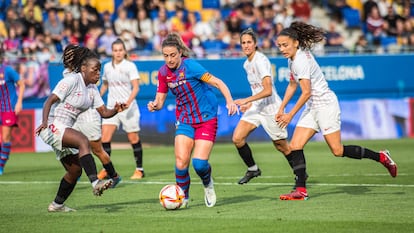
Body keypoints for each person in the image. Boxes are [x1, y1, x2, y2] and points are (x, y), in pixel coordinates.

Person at [274, 21, 398, 201]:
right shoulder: (292, 59)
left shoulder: (300, 60)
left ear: (295, 43)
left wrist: (290, 115)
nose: (282, 49)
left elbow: (306, 92)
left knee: (337, 150)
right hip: (312, 107)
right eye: (279, 46)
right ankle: (301, 190)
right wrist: (281, 107)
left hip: (325, 105)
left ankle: (381, 157)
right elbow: (292, 85)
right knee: (295, 146)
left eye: (285, 45)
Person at [147, 33, 239, 208]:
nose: (169, 59)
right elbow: (159, 100)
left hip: (206, 118)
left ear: (180, 52)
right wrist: (154, 105)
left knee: (199, 163)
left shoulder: (191, 67)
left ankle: (208, 183)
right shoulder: (163, 73)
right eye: (165, 56)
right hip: (185, 119)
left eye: (172, 55)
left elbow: (218, 82)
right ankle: (183, 198)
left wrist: (229, 101)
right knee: (181, 162)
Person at [35, 46, 126, 212]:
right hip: (53, 125)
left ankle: (57, 205)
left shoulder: (92, 89)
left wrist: (116, 110)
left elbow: (104, 112)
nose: (98, 74)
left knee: (75, 170)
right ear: (83, 69)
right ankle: (95, 182)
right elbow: (49, 100)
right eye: (95, 70)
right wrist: (44, 121)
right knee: (83, 141)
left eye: (99, 71)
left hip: (64, 128)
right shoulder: (71, 80)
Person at [232, 28, 291, 185]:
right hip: (257, 107)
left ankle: (300, 173)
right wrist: (251, 103)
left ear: (255, 44)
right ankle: (253, 169)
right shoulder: (246, 64)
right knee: (237, 138)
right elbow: (258, 89)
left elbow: (268, 90)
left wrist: (246, 100)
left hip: (271, 108)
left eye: (249, 42)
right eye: (243, 43)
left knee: (281, 146)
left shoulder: (261, 61)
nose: (246, 45)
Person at [61, 44, 122, 188]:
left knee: (97, 150)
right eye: (67, 54)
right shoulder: (67, 73)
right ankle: (79, 176)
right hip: (73, 116)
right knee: (73, 148)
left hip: (88, 116)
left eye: (71, 54)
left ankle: (114, 176)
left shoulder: (85, 72)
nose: (68, 57)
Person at [99, 39, 144, 180]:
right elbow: (105, 85)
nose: (118, 53)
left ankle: (140, 170)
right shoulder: (106, 67)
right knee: (105, 138)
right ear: (112, 52)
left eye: (120, 50)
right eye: (115, 50)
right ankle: (106, 170)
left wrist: (128, 102)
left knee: (133, 138)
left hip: (128, 108)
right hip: (112, 107)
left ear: (124, 51)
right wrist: (98, 98)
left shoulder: (130, 66)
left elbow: (136, 87)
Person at [0, 45, 25, 175]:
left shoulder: (7, 70)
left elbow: (21, 84)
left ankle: (1, 166)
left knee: (6, 137)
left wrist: (19, 102)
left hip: (8, 107)